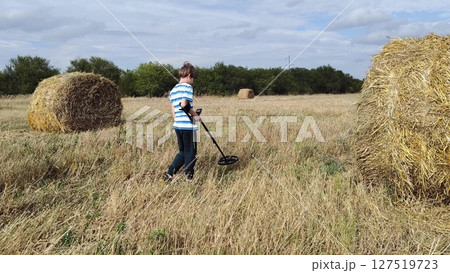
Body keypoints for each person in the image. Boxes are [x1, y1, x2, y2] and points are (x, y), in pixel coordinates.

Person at [164, 62, 200, 183]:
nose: (193, 81)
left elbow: (173, 108)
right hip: (187, 125)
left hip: (178, 125)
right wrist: (195, 115)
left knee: (183, 152)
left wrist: (177, 120)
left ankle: (169, 174)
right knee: (191, 151)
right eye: (193, 78)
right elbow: (184, 104)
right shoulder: (187, 87)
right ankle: (189, 176)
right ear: (189, 76)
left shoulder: (174, 90)